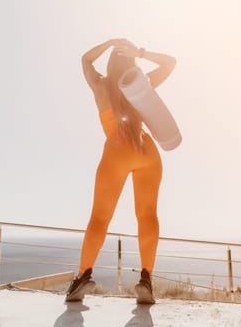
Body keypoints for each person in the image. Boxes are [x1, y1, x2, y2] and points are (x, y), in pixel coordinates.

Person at [65, 38, 176, 304]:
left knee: (100, 218)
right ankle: (147, 279)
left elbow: (85, 59)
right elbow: (171, 62)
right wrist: (141, 52)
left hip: (117, 150)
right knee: (147, 214)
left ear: (111, 63)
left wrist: (110, 43)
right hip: (146, 149)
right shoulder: (138, 83)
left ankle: (82, 277)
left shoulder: (100, 85)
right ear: (131, 62)